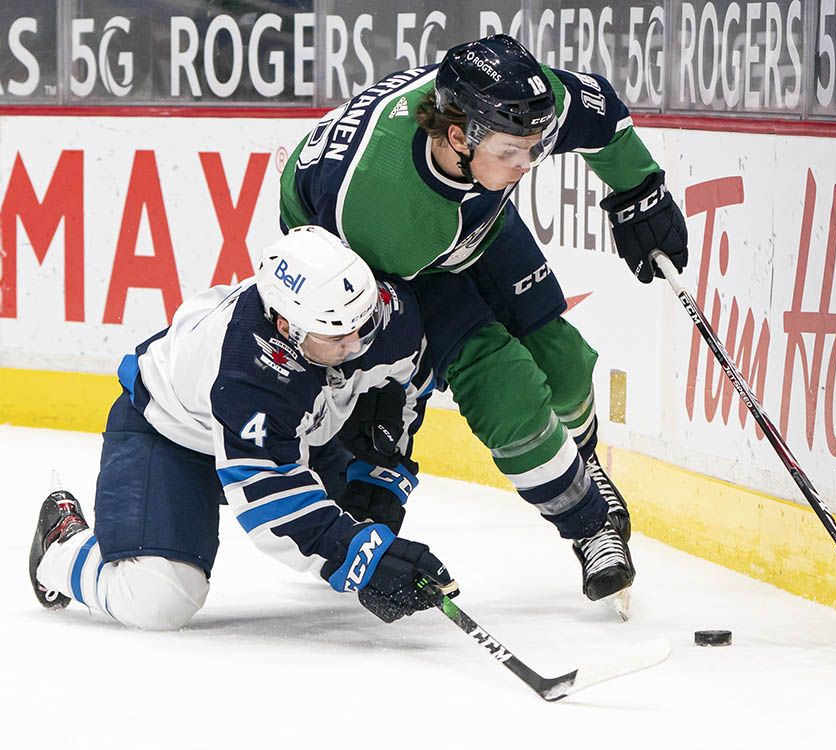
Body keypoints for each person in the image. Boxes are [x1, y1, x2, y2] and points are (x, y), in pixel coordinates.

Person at [278, 35, 689, 605]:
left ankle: (584, 465)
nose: (526, 166)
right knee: (504, 386)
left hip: (470, 219)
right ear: (456, 137)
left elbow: (601, 113)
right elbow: (367, 335)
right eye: (511, 153)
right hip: (382, 265)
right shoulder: (377, 208)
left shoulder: (515, 105)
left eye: (535, 150)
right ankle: (589, 525)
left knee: (565, 365)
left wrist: (640, 189)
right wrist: (380, 438)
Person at [28, 225, 456, 630]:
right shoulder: (249, 371)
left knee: (364, 517)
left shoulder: (380, 313)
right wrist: (357, 556)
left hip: (298, 433)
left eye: (363, 328)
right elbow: (265, 493)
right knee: (159, 599)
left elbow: (406, 389)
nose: (357, 347)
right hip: (172, 434)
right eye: (338, 338)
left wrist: (381, 473)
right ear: (287, 328)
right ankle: (62, 544)